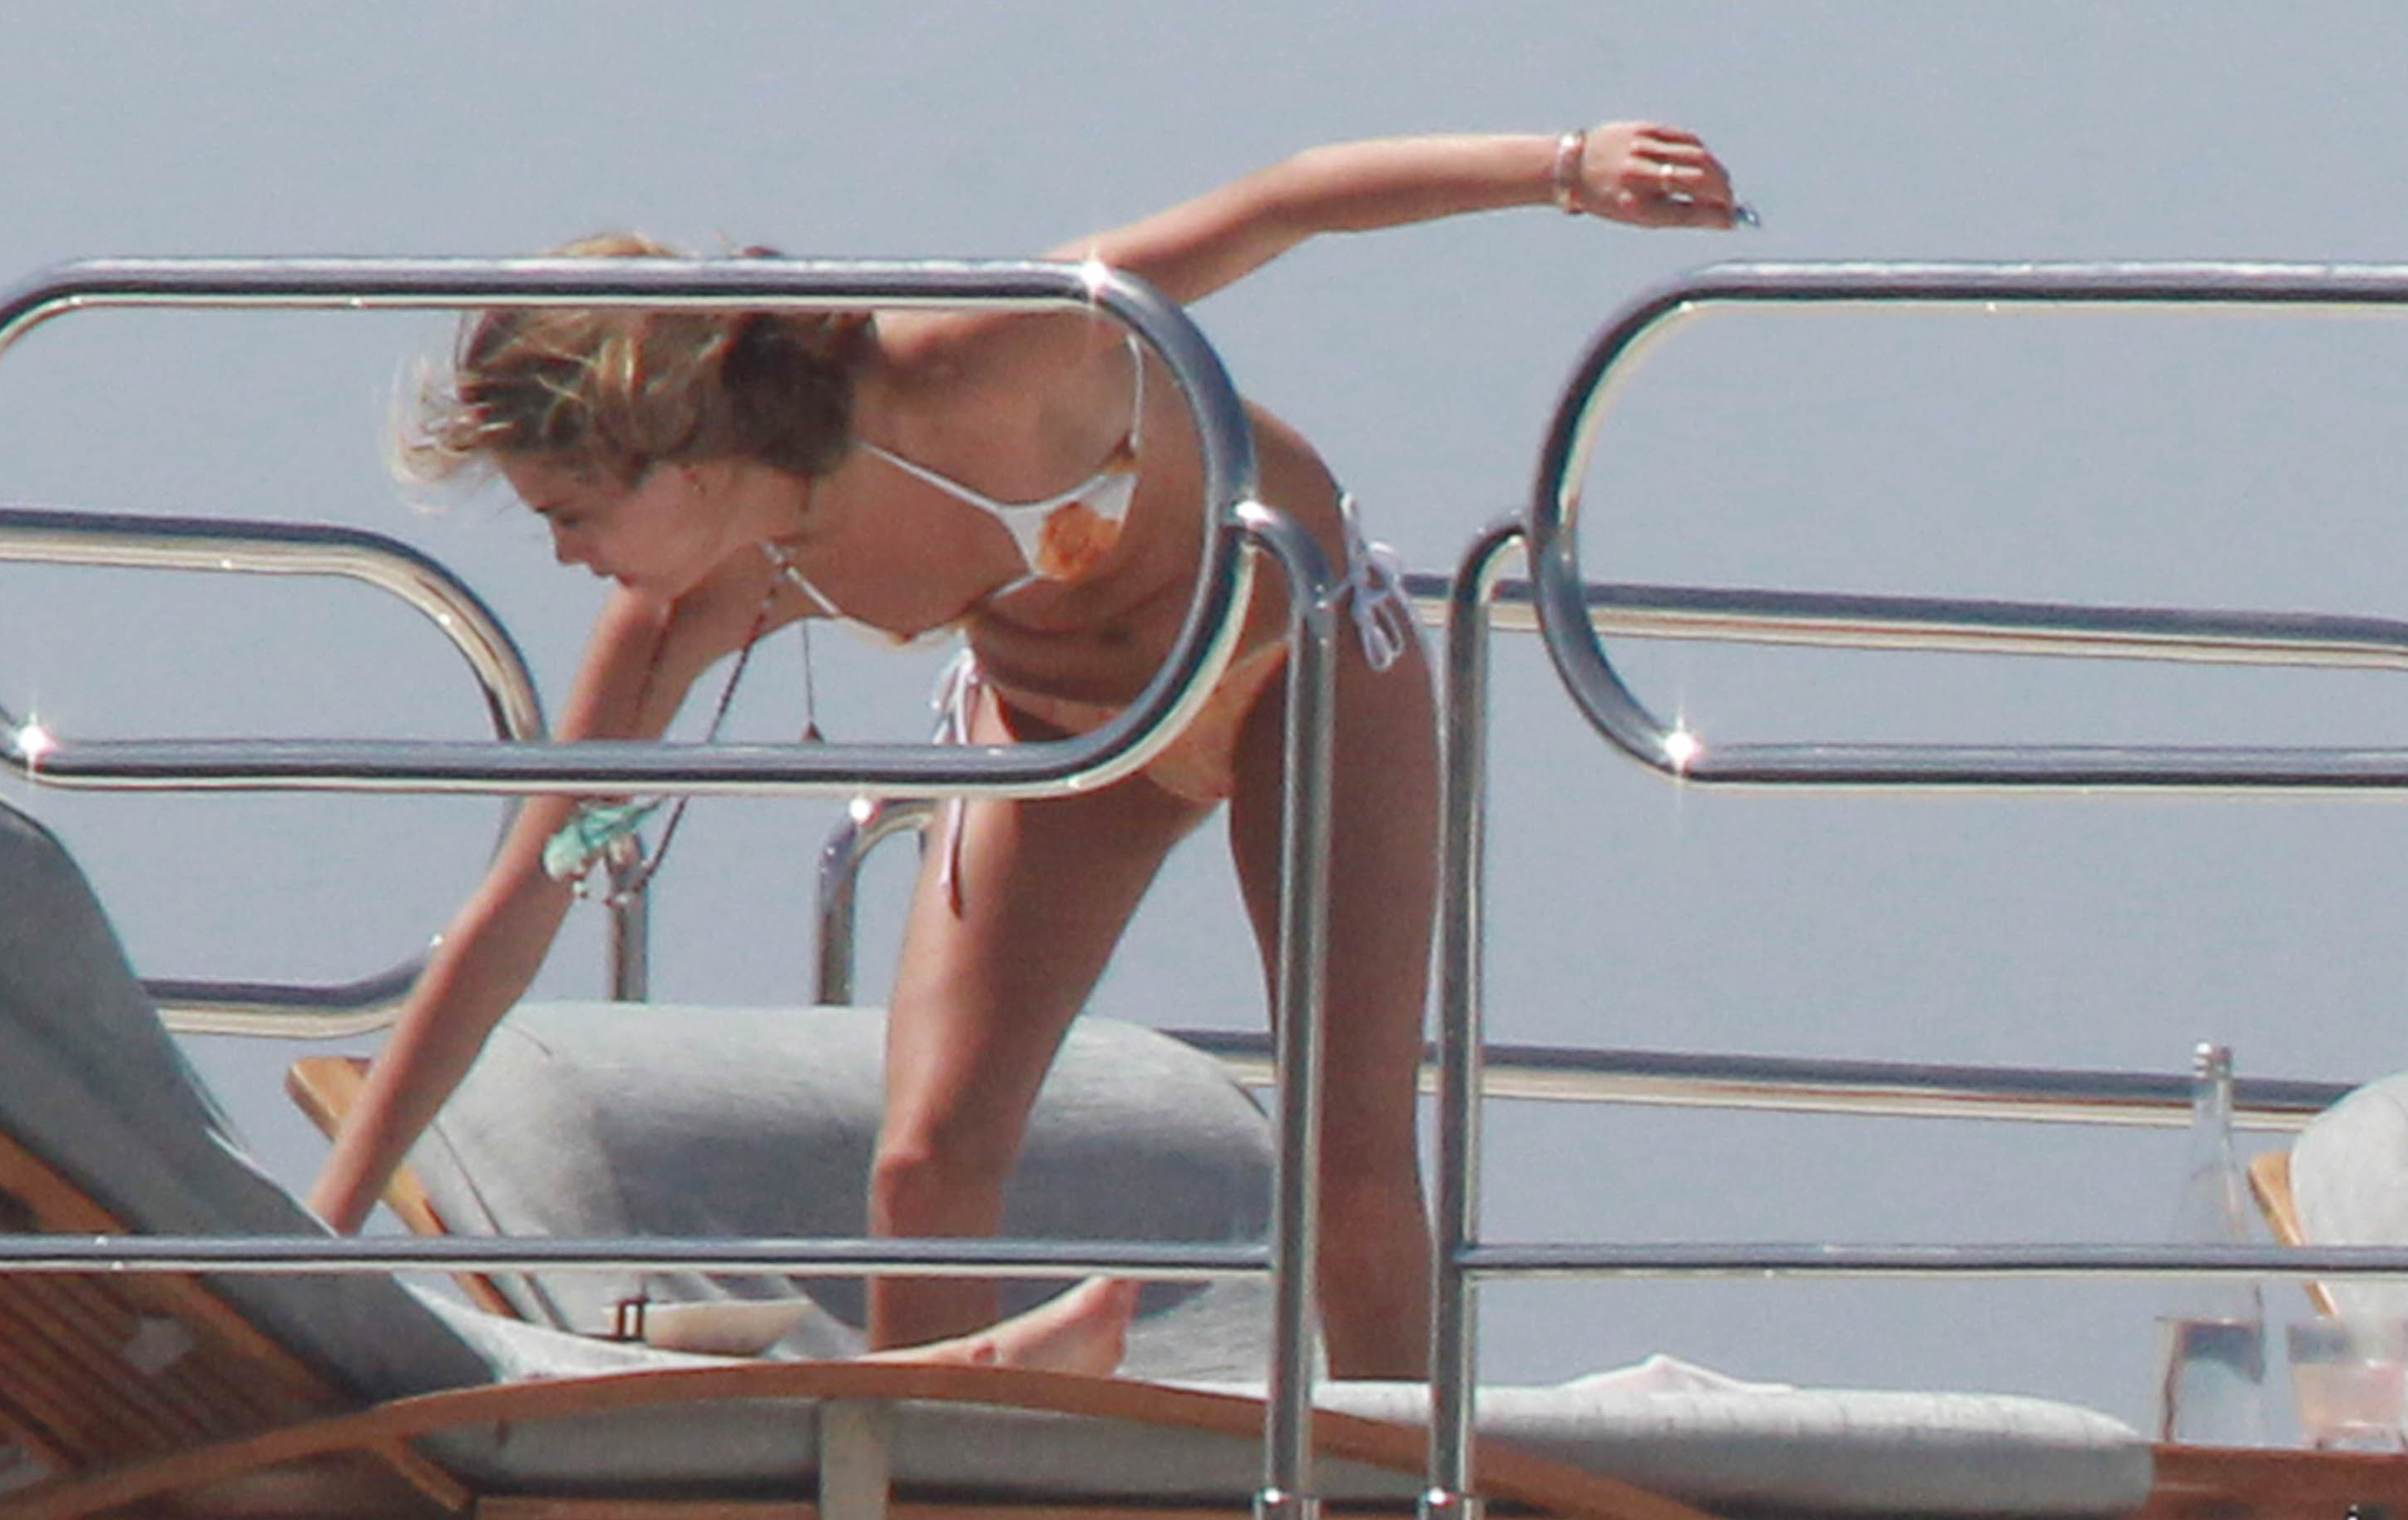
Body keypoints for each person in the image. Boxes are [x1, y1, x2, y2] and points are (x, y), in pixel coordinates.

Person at [307, 123, 1745, 1380]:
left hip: (1295, 662)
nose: (565, 555)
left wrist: (1567, 166)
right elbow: (520, 903)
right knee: (925, 1164)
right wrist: (317, 1238)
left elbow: (1285, 203)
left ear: (676, 456)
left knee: (1348, 1169)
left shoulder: (971, 357)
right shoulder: (684, 610)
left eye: (569, 513)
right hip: (1068, 726)